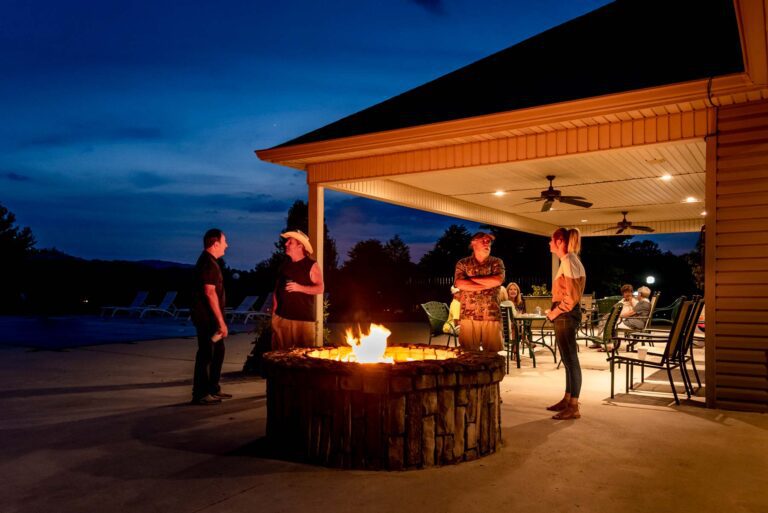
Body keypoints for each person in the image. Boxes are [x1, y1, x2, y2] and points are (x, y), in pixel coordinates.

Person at [546, 228, 586, 420]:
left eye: (551, 240)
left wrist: (554, 312)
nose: (549, 243)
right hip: (566, 315)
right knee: (568, 360)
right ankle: (568, 398)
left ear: (559, 241)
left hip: (566, 315)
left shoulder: (569, 261)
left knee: (571, 360)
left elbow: (571, 298)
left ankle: (574, 406)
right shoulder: (569, 260)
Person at [191, 228, 230, 405]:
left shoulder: (210, 262)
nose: (226, 246)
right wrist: (221, 322)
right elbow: (209, 292)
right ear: (215, 244)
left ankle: (213, 388)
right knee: (206, 354)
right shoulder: (208, 264)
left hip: (211, 318)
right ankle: (200, 393)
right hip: (207, 319)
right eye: (224, 242)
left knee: (218, 351)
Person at [272, 229, 325, 349]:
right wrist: (274, 313)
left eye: (290, 242)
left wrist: (299, 288)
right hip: (281, 318)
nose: (285, 244)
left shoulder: (311, 265)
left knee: (302, 357)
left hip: (302, 321)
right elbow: (276, 289)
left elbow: (320, 288)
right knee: (280, 356)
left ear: (300, 246)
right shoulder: (284, 265)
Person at [454, 232, 505, 352]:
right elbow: (459, 283)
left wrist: (470, 280)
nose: (488, 243)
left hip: (491, 315)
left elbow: (498, 280)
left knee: (492, 354)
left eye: (489, 241)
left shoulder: (497, 262)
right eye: (484, 240)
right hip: (468, 315)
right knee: (468, 353)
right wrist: (487, 285)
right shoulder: (463, 263)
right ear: (473, 243)